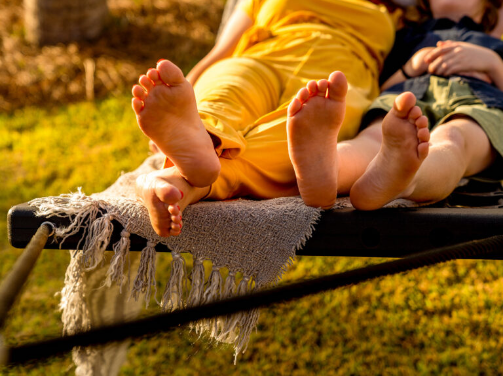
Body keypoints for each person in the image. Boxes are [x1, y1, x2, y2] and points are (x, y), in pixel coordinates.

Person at [131, 0, 399, 236]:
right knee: (227, 90)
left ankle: (178, 178)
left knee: (300, 135)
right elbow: (222, 50)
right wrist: (181, 89)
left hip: (337, 76)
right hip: (263, 56)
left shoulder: (398, 12)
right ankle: (199, 132)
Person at [286, 0, 503, 211]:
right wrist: (409, 68)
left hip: (477, 100)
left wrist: (493, 63)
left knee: (453, 139)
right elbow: (382, 87)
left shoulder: (495, 43)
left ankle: (408, 178)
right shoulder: (406, 36)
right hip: (407, 94)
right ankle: (331, 170)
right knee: (375, 136)